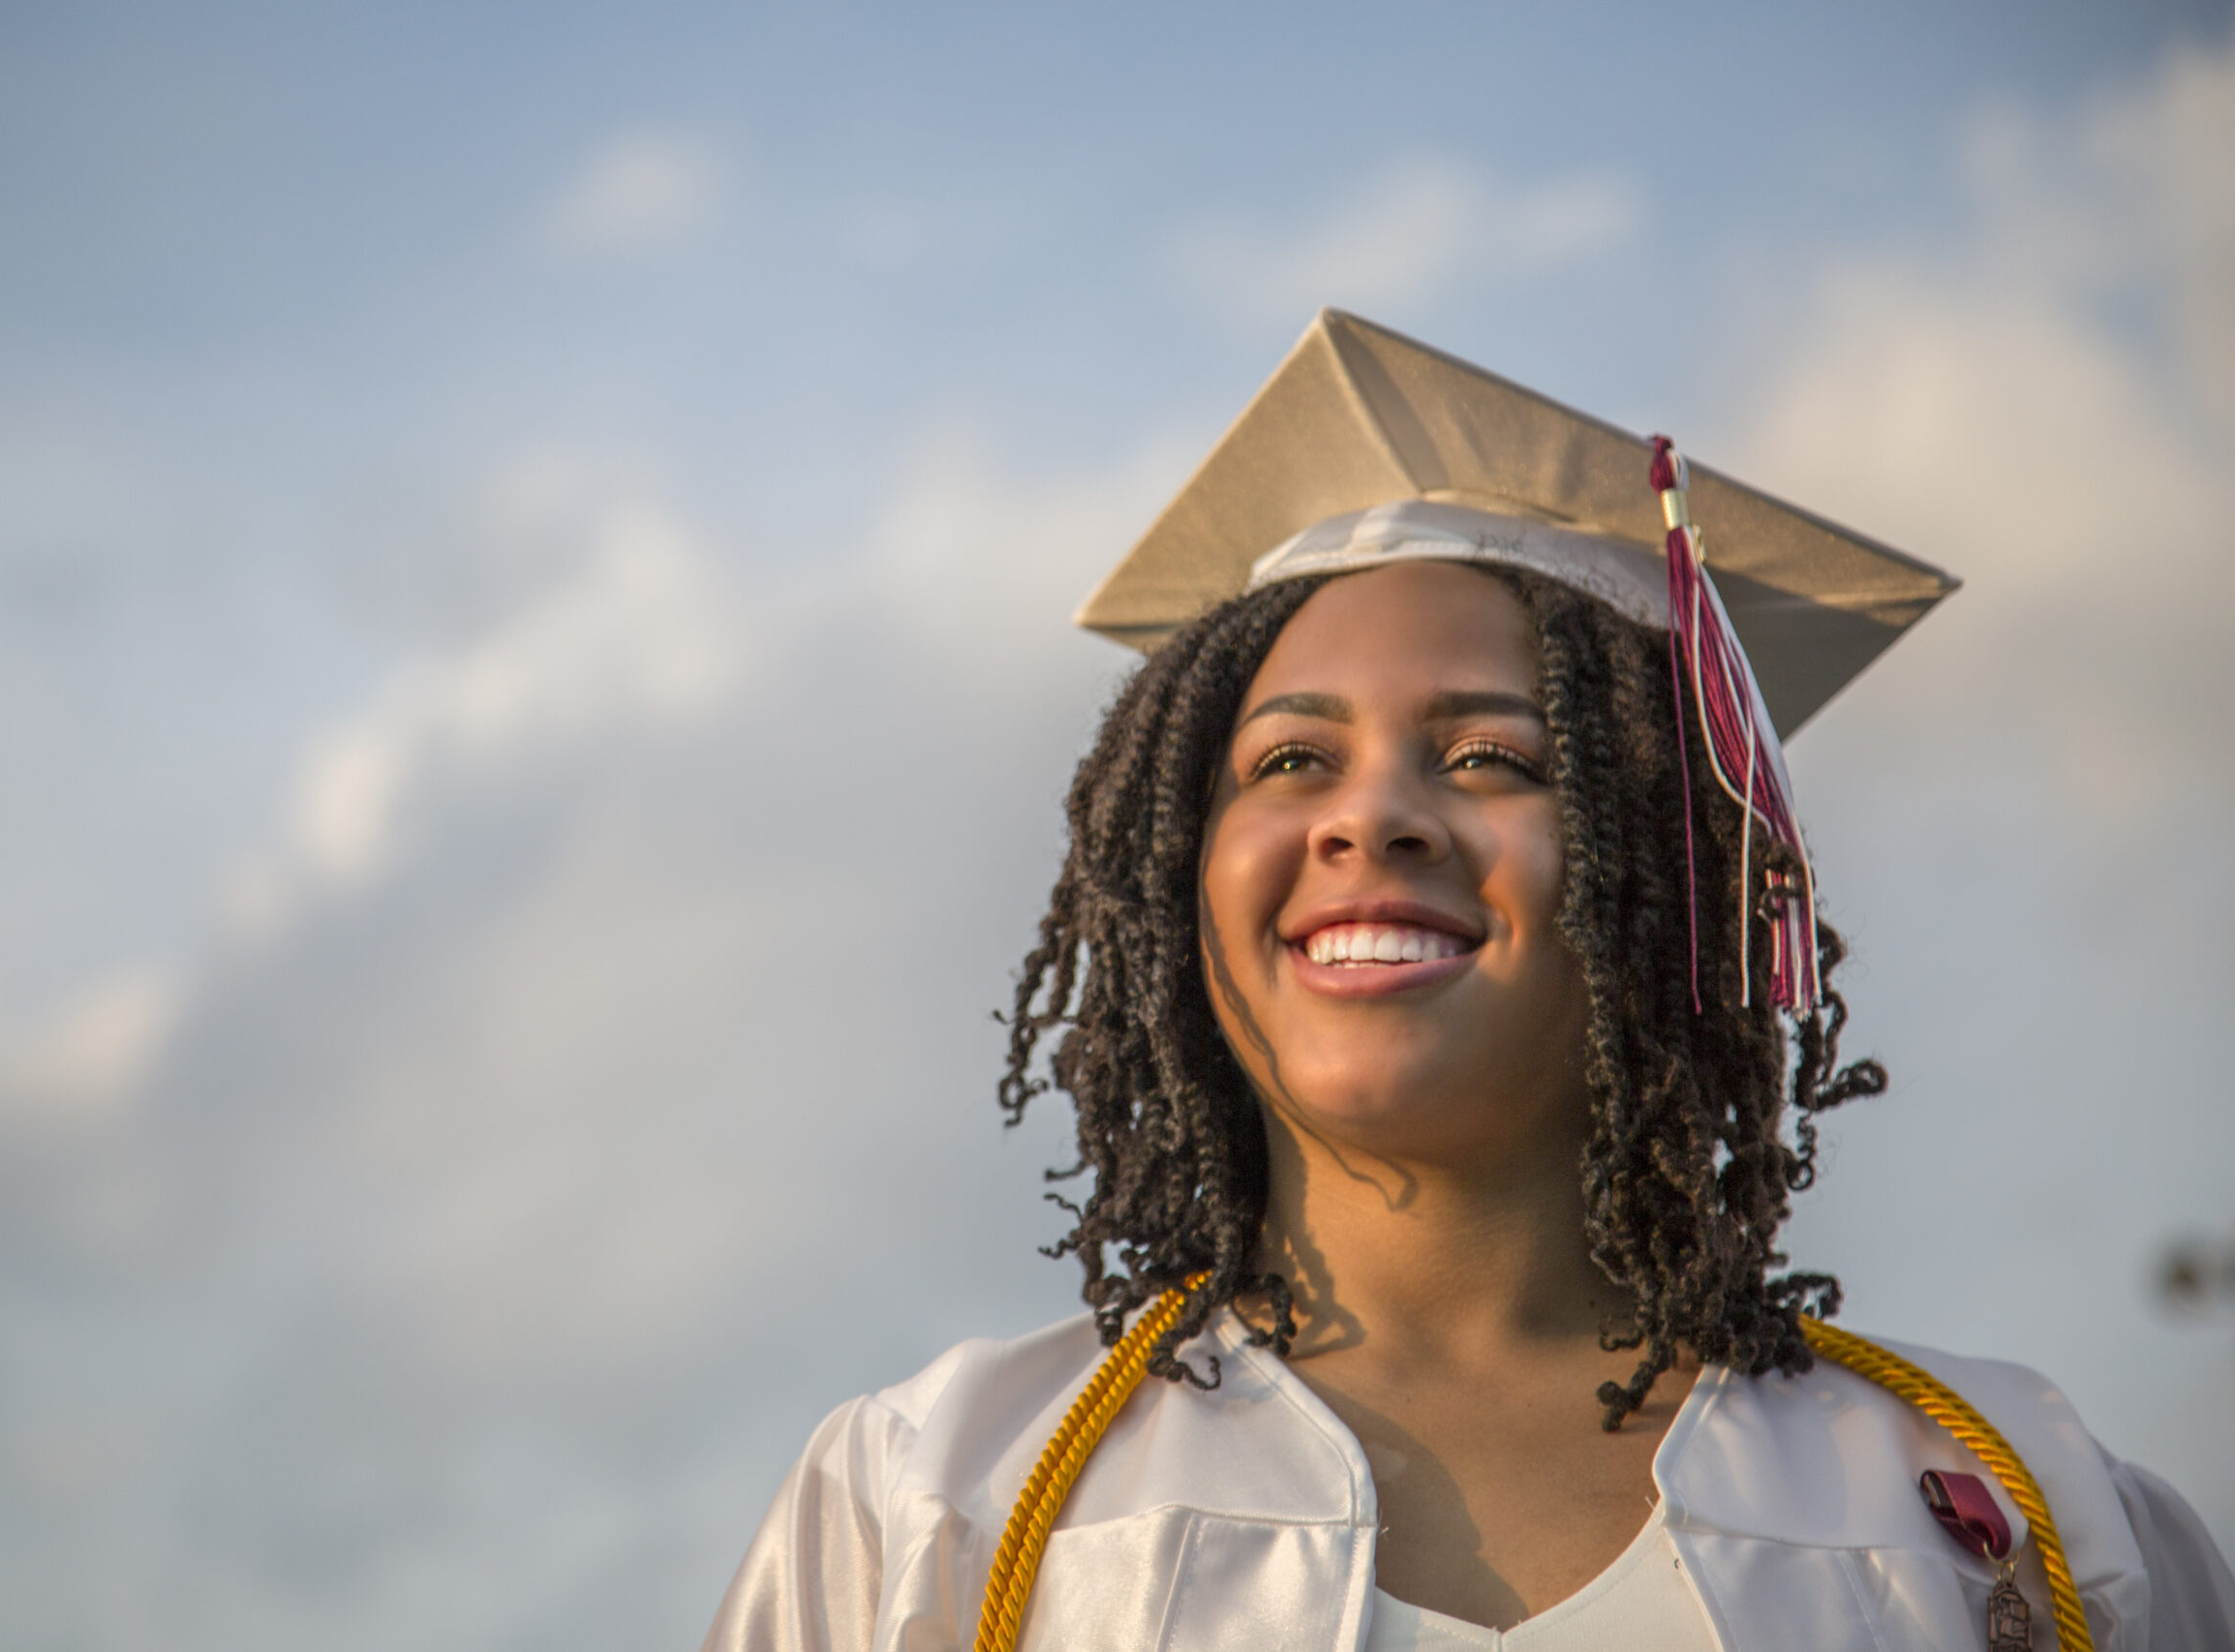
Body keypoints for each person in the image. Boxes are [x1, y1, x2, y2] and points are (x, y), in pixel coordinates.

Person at [703, 310, 2235, 1652]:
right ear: (1175, 867)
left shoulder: (2013, 1510)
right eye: (1289, 758)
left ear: (1670, 868)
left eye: (1493, 755)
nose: (1369, 814)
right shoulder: (934, 1502)